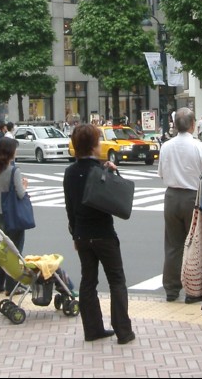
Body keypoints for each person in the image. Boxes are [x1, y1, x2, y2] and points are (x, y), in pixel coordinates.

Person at [63, 123, 135, 344]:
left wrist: (75, 234)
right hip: (103, 233)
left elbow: (70, 206)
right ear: (94, 145)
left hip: (83, 235)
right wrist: (113, 172)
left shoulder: (70, 172)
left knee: (88, 281)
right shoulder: (101, 170)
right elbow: (116, 201)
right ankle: (123, 331)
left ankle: (92, 329)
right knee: (116, 280)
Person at [157, 107, 202, 303]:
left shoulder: (166, 146)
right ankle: (193, 290)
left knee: (173, 245)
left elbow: (161, 174)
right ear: (193, 125)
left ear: (175, 125)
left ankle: (171, 290)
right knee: (195, 244)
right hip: (193, 197)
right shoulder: (200, 147)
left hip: (171, 196)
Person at [0, 137, 29, 295]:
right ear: (9, 152)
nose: (16, 151)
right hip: (15, 215)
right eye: (14, 148)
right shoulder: (14, 170)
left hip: (1, 213)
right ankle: (12, 286)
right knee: (14, 250)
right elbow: (20, 194)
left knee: (4, 249)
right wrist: (25, 185)